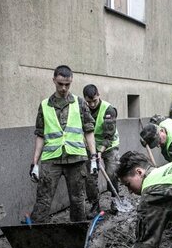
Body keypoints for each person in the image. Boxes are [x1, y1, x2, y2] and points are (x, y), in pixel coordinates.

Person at [29, 65, 96, 223]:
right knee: (43, 201)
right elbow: (40, 134)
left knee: (78, 201)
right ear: (54, 80)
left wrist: (93, 158)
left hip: (76, 159)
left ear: (71, 81)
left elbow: (89, 131)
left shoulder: (80, 103)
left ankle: (77, 241)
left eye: (67, 84)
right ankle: (38, 239)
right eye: (60, 84)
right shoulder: (45, 105)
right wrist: (35, 163)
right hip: (51, 160)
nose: (64, 88)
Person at [83, 84, 120, 217]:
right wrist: (92, 151)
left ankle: (115, 200)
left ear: (99, 95)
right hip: (90, 146)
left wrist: (99, 152)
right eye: (89, 101)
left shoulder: (108, 109)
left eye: (94, 100)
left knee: (112, 172)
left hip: (109, 145)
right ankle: (94, 205)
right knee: (90, 177)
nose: (92, 104)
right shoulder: (83, 108)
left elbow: (108, 136)